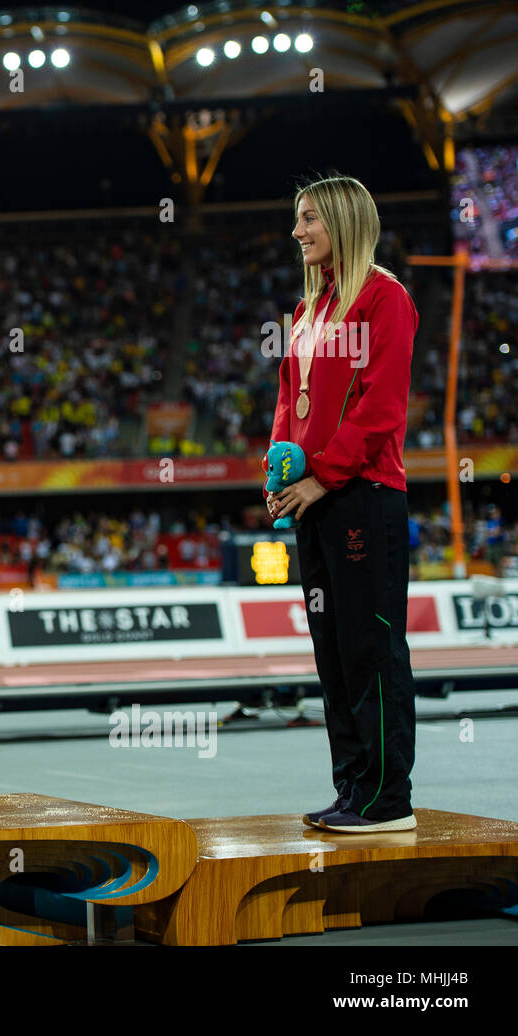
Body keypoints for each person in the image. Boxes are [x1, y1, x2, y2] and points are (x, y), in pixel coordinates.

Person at [266, 174, 419, 833]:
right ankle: (353, 791)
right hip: (313, 499)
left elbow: (381, 408)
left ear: (343, 223)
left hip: (363, 496)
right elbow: (286, 399)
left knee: (370, 648)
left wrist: (321, 475)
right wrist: (278, 465)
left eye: (309, 220)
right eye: (297, 220)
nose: (298, 232)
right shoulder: (306, 313)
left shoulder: (384, 298)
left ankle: (387, 800)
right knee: (331, 648)